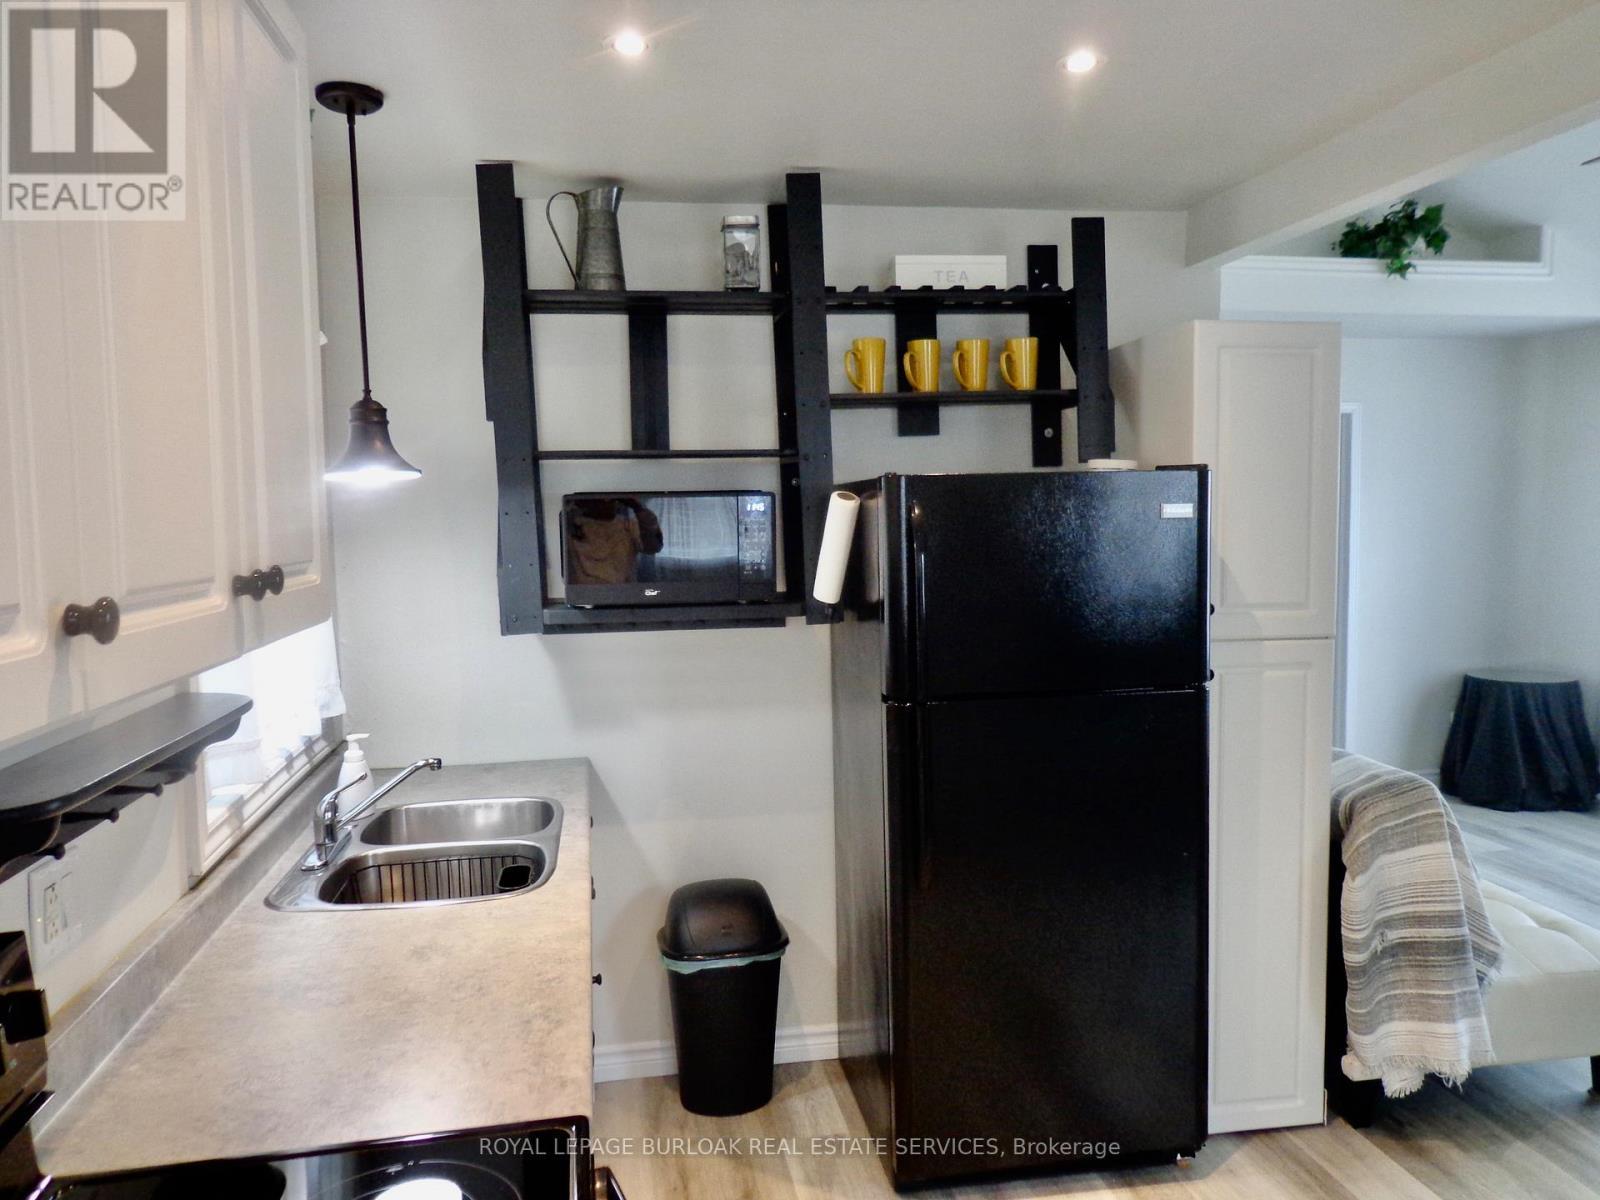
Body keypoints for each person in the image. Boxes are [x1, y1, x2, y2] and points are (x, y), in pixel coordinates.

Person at [563, 496, 663, 584]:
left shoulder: (629, 525)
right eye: (601, 498)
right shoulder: (571, 526)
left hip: (624, 598)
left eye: (612, 499)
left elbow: (653, 547)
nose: (607, 501)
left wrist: (637, 507)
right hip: (586, 597)